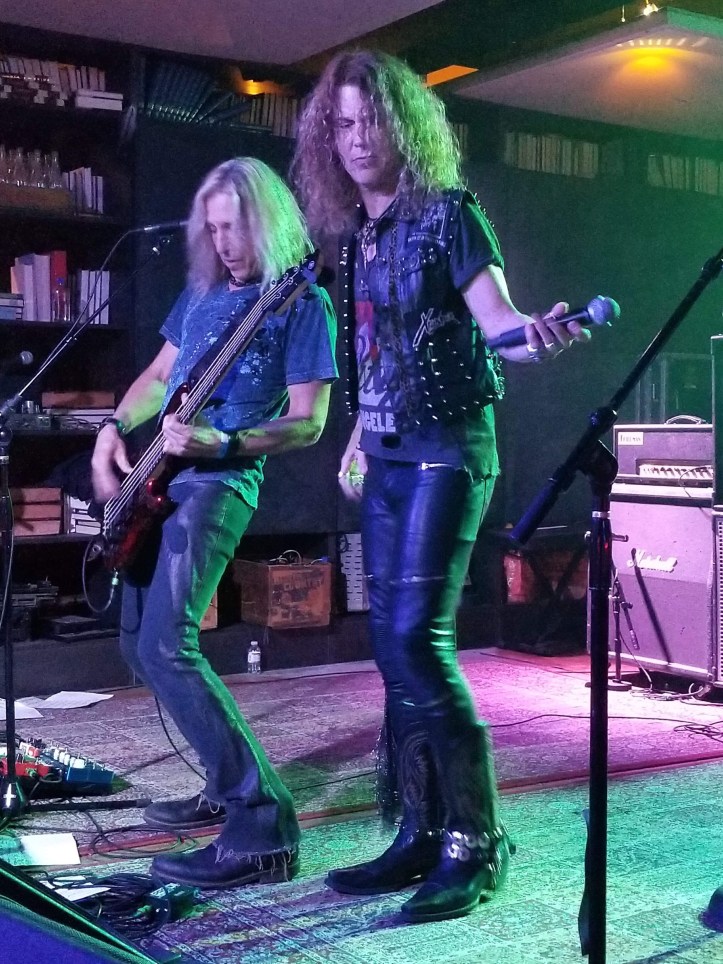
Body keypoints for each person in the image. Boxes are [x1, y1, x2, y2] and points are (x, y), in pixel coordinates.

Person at [291, 50, 591, 922]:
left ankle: (476, 840)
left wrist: (536, 335)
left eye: (370, 122)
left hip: (448, 450)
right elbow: (376, 354)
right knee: (392, 650)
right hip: (387, 456)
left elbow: (501, 326)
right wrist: (357, 435)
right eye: (341, 125)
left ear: (403, 128)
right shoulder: (358, 237)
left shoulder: (449, 215)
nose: (356, 140)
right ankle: (421, 830)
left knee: (416, 642)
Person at [91, 157, 337, 888]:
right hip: (158, 480)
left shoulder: (300, 304)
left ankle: (261, 823)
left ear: (269, 224)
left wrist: (223, 442)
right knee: (137, 644)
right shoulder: (201, 292)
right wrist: (113, 426)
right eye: (214, 229)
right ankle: (222, 782)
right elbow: (158, 377)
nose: (224, 244)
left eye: (235, 228)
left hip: (219, 483)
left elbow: (309, 422)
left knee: (168, 644)